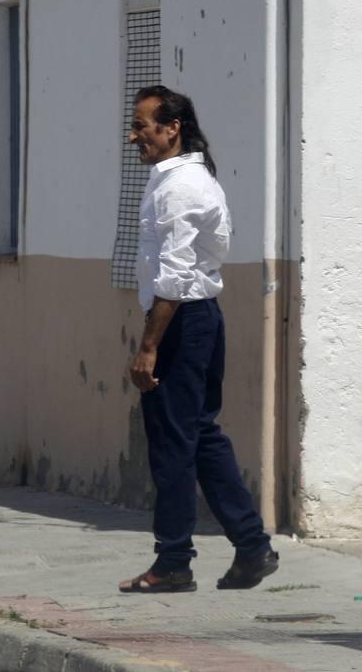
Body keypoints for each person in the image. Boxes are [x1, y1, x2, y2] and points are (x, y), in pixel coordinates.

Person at [118, 85, 278, 595]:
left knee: (172, 442)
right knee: (200, 436)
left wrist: (149, 346)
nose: (134, 135)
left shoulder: (182, 186)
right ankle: (251, 547)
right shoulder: (180, 179)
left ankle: (173, 562)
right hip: (197, 318)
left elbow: (175, 274)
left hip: (184, 322)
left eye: (143, 125)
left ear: (172, 127)